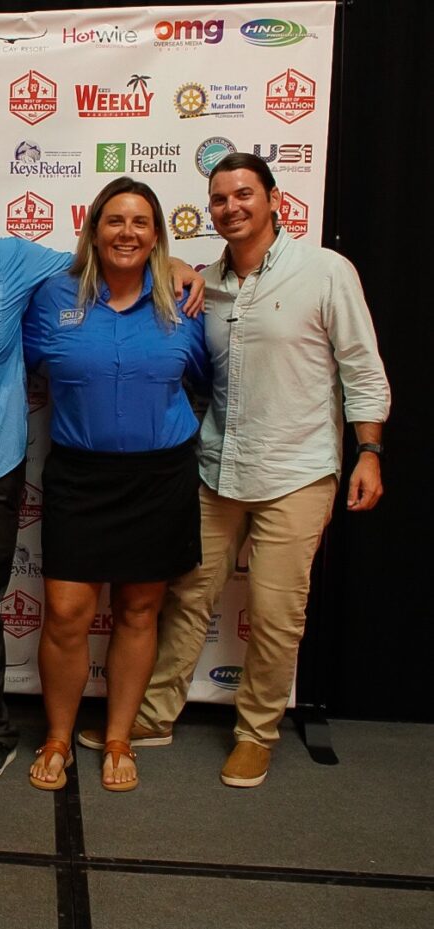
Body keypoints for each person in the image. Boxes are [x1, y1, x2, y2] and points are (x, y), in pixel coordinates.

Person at [0, 161, 206, 783]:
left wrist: (179, 266)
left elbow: (123, 266)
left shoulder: (21, 262)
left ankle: (18, 731)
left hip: (2, 467)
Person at [79, 152, 391, 788]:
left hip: (298, 470)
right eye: (219, 199)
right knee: (186, 598)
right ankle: (154, 716)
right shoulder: (202, 285)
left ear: (275, 199)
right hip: (217, 465)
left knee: (277, 615)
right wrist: (168, 262)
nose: (231, 208)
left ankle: (257, 734)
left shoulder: (325, 272)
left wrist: (370, 452)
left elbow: (361, 366)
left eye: (244, 195)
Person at [23, 178, 210, 792]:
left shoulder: (181, 300)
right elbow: (17, 367)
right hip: (81, 476)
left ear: (157, 234)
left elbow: (206, 379)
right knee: (68, 612)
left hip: (161, 478)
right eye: (114, 221)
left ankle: (120, 736)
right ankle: (57, 736)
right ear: (93, 229)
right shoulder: (53, 297)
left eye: (140, 223)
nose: (126, 233)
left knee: (137, 609)